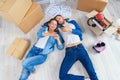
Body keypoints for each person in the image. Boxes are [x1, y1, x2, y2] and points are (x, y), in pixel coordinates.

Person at [54, 15, 98, 80]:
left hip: (80, 49)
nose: (59, 20)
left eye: (59, 18)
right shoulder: (59, 30)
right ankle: (84, 79)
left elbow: (80, 32)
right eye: (57, 21)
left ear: (63, 17)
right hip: (69, 52)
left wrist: (70, 29)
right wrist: (57, 39)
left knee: (92, 72)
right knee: (62, 76)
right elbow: (61, 44)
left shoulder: (72, 22)